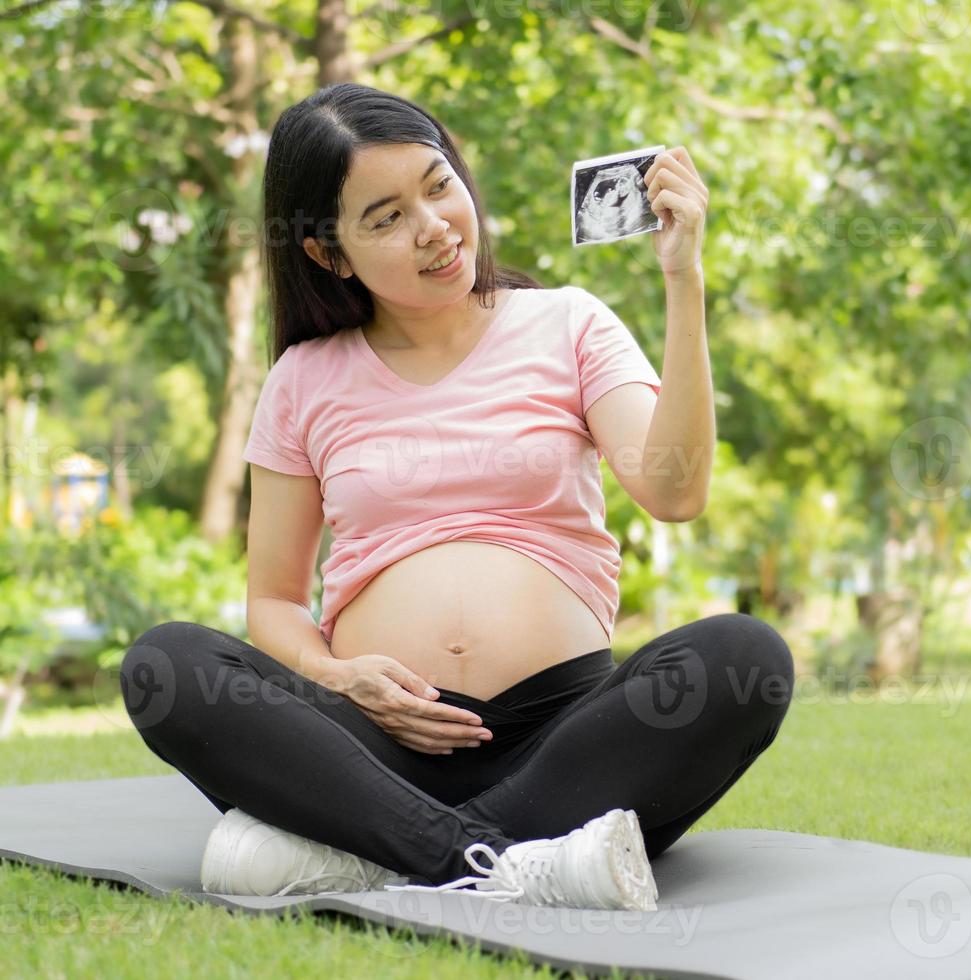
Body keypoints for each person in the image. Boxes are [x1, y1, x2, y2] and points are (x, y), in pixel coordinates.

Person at [119, 83, 794, 911]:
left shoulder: (569, 324)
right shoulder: (303, 379)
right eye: (386, 217)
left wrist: (682, 278)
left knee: (743, 660)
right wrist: (341, 676)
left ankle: (384, 849)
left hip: (563, 737)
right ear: (329, 254)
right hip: (370, 741)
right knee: (168, 663)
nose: (435, 227)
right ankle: (506, 860)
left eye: (439, 186)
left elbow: (675, 489)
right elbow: (275, 602)